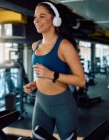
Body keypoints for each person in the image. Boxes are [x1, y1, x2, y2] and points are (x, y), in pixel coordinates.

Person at [23, 1, 85, 140]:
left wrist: (51, 74)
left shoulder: (64, 46)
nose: (36, 21)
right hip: (41, 104)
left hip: (63, 106)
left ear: (55, 20)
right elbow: (41, 76)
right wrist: (34, 84)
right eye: (35, 17)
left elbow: (81, 81)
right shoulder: (35, 45)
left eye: (42, 16)